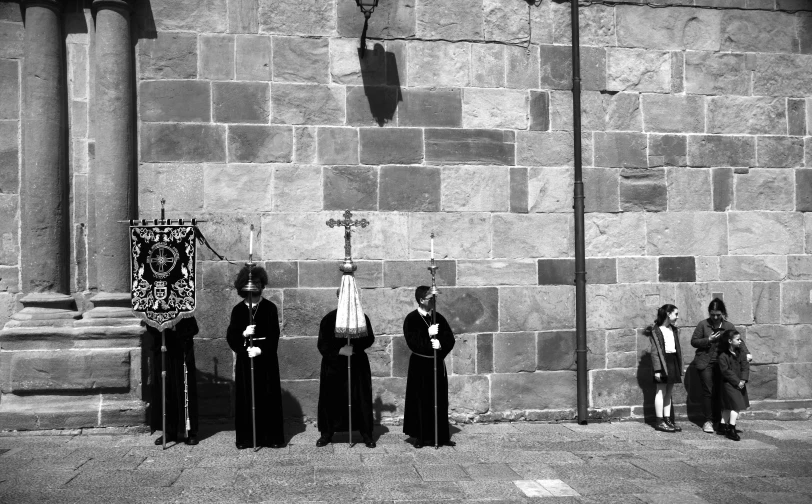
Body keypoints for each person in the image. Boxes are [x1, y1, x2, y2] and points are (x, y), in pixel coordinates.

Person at [226, 265, 285, 449]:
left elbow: (274, 335)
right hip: (246, 360)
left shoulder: (269, 308)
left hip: (265, 360)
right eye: (252, 284)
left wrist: (261, 350)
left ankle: (271, 438)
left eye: (258, 283)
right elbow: (231, 336)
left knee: (267, 397)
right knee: (246, 398)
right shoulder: (238, 310)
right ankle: (246, 438)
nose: (255, 287)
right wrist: (243, 337)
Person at [316, 293, 376, 448]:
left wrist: (354, 346)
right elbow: (323, 344)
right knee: (331, 399)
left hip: (357, 365)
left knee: (360, 399)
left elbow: (369, 338)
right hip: (334, 366)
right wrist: (340, 351)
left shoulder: (361, 318)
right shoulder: (329, 318)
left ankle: (366, 433)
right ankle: (327, 433)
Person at [403, 286, 456, 448]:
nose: (434, 302)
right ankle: (420, 436)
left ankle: (440, 435)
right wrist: (427, 334)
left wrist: (440, 345)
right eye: (431, 299)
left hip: (436, 363)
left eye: (434, 299)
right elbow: (412, 342)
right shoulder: (411, 319)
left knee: (438, 398)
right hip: (420, 365)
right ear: (421, 300)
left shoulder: (438, 316)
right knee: (421, 399)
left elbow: (450, 338)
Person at [691, 298, 751, 434]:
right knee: (708, 391)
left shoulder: (728, 326)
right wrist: (708, 340)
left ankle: (720, 421)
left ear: (722, 313)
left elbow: (739, 341)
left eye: (718, 314)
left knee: (721, 392)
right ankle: (708, 421)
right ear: (709, 313)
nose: (715, 317)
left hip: (723, 364)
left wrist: (747, 353)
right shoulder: (703, 325)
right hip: (705, 362)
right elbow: (694, 341)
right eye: (713, 314)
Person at [148, 316, 200, 446]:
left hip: (180, 352)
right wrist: (160, 327)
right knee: (166, 392)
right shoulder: (155, 308)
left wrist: (174, 327)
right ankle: (169, 431)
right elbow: (149, 326)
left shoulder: (184, 309)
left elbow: (193, 328)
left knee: (185, 390)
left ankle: (190, 431)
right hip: (163, 352)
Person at [647, 304, 684, 433]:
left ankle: (668, 419)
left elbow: (678, 349)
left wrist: (680, 366)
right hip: (663, 363)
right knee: (660, 391)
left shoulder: (674, 330)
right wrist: (657, 370)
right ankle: (659, 421)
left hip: (672, 360)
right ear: (668, 314)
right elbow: (654, 352)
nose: (677, 317)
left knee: (669, 392)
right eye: (676, 314)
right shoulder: (656, 331)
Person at [717, 329, 749, 441]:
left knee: (728, 407)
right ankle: (731, 429)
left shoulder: (741, 353)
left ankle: (722, 426)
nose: (740, 341)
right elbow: (726, 371)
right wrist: (737, 381)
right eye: (738, 339)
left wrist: (743, 379)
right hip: (729, 384)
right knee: (735, 406)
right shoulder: (723, 356)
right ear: (730, 341)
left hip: (740, 383)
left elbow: (745, 366)